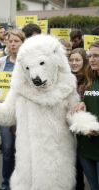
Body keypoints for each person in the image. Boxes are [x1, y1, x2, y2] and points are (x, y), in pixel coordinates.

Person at [0, 29, 25, 190]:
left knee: (22, 150)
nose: (13, 44)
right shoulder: (1, 62)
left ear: (22, 43)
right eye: (10, 41)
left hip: (24, 113)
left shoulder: (28, 62)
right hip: (7, 112)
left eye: (16, 41)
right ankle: (6, 183)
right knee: (7, 148)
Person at [75, 41, 99, 190]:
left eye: (96, 56)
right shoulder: (90, 79)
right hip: (86, 146)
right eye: (90, 56)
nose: (91, 59)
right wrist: (82, 103)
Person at [69, 48, 88, 190]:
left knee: (83, 163)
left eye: (77, 60)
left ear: (84, 61)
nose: (74, 63)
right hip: (68, 127)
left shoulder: (90, 79)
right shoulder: (65, 78)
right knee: (73, 164)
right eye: (71, 60)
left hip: (84, 127)